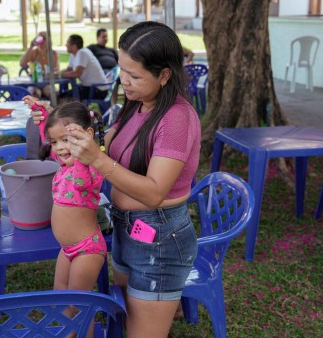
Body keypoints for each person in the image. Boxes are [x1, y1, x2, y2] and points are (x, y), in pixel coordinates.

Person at [29, 21, 201, 337]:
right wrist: (58, 129)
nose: (124, 81)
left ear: (164, 75)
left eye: (135, 75)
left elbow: (153, 194)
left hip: (158, 236)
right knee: (125, 321)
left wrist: (98, 158)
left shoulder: (177, 118)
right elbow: (108, 146)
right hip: (127, 229)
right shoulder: (136, 105)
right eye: (122, 70)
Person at [23, 98, 107, 336]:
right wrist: (41, 113)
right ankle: (69, 335)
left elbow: (81, 182)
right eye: (55, 142)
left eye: (67, 140)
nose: (59, 148)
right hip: (67, 248)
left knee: (78, 302)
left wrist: (82, 149)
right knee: (60, 295)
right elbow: (48, 137)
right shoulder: (65, 165)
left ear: (86, 137)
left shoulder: (90, 167)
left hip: (87, 249)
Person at [60, 34, 108, 101]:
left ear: (74, 46)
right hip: (89, 87)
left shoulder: (82, 53)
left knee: (63, 97)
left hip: (98, 89)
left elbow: (77, 73)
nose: (66, 45)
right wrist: (57, 73)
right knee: (63, 95)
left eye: (68, 43)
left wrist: (60, 74)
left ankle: (74, 111)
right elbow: (69, 70)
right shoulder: (73, 54)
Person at [19, 31, 60, 99]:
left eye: (44, 38)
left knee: (53, 93)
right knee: (34, 94)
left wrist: (48, 74)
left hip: (47, 83)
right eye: (39, 38)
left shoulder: (53, 54)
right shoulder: (34, 51)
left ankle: (52, 109)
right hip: (34, 82)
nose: (41, 41)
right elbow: (22, 64)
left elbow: (56, 69)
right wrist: (30, 47)